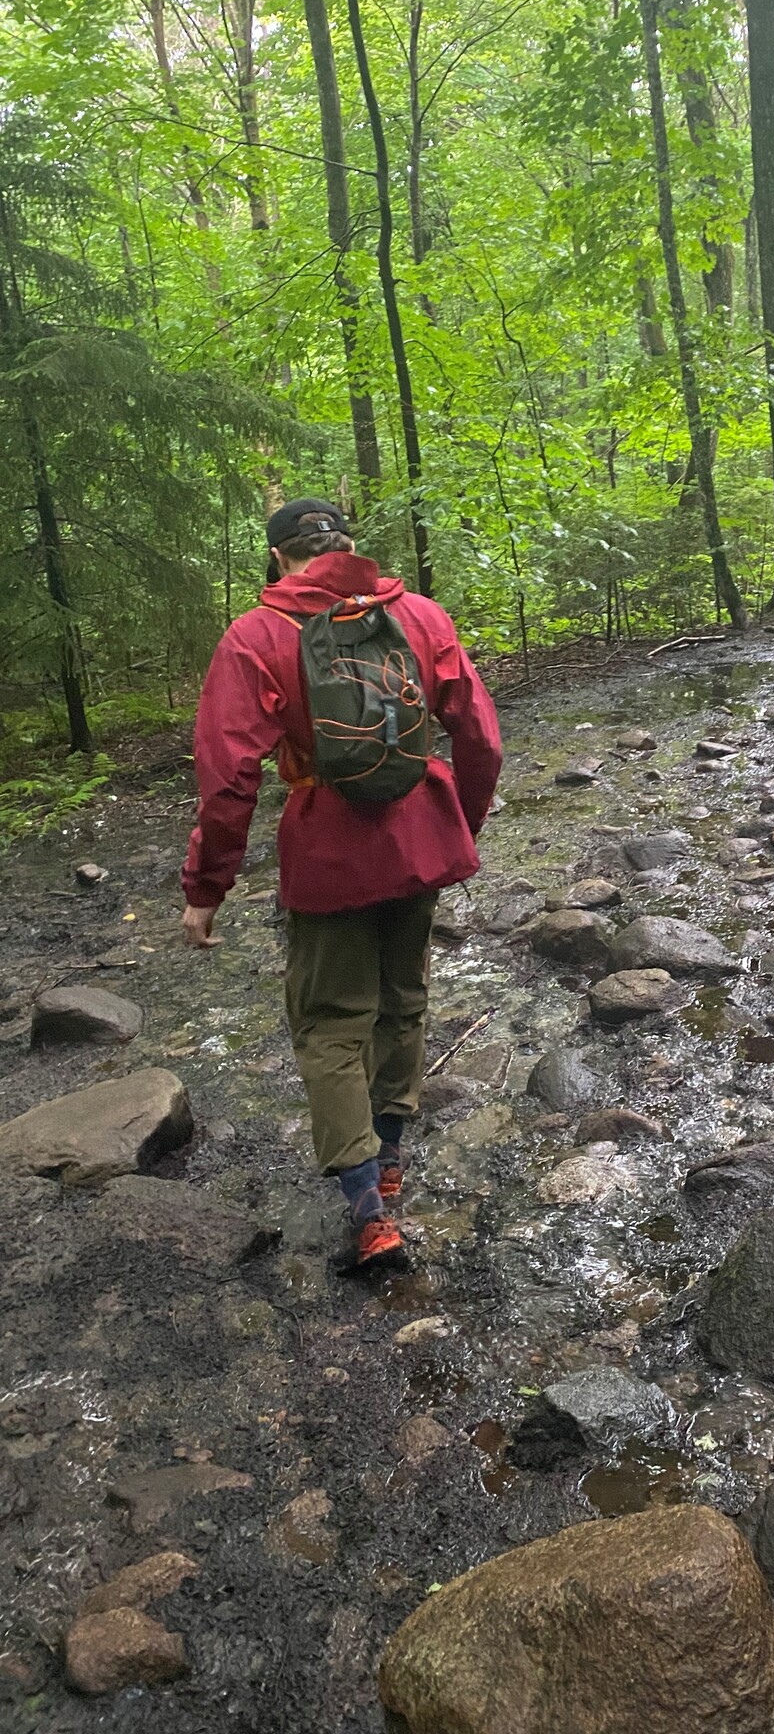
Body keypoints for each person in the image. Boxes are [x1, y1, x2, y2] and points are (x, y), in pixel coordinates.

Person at [181, 499, 502, 1267]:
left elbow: (229, 778)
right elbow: (480, 736)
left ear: (278, 559)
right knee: (404, 999)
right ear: (352, 549)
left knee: (330, 1021)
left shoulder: (257, 635)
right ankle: (389, 1163)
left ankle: (367, 1211)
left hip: (328, 849)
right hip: (420, 832)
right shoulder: (419, 615)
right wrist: (458, 821)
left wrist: (206, 886)